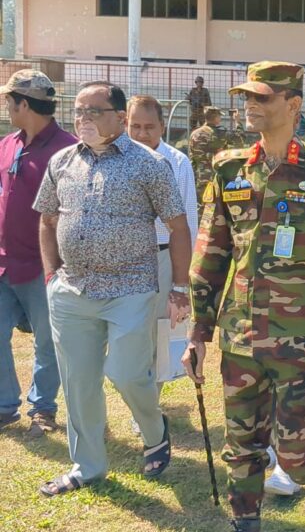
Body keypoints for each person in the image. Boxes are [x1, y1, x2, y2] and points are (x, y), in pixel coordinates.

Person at [183, 61, 305, 532]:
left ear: (293, 105)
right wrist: (199, 331)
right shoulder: (229, 170)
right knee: (241, 447)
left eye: (262, 97)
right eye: (247, 96)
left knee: (297, 453)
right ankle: (246, 522)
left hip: (301, 342)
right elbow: (211, 252)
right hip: (240, 337)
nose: (250, 104)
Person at [33, 81, 192, 496]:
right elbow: (47, 220)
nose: (83, 118)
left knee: (124, 372)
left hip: (131, 288)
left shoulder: (150, 165)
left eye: (94, 111)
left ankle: (154, 430)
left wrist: (179, 286)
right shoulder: (62, 161)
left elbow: (177, 226)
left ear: (120, 119)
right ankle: (87, 466)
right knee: (78, 382)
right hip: (72, 291)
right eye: (79, 111)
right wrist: (52, 275)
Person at [0, 70, 77, 438]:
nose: (7, 106)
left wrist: (60, 266)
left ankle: (43, 409)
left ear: (24, 103)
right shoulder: (7, 144)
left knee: (48, 342)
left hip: (44, 267)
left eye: (9, 100)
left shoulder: (68, 150)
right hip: (3, 262)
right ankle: (3, 406)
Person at [126, 95, 198, 420]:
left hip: (163, 258)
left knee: (158, 334)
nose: (142, 134)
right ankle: (136, 398)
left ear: (162, 126)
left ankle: (147, 411)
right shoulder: (113, 159)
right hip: (123, 263)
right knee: (127, 336)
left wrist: (182, 281)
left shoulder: (177, 163)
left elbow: (188, 222)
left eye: (149, 127)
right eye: (135, 126)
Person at [189, 106, 234, 215]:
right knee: (218, 208)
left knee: (202, 206)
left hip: (200, 175)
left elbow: (192, 158)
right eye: (219, 116)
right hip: (218, 175)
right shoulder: (222, 134)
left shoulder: (195, 134)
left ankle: (200, 229)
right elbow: (240, 141)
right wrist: (238, 123)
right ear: (216, 118)